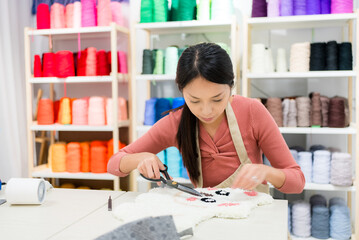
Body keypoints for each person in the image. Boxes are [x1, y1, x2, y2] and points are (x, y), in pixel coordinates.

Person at [108, 42, 305, 194]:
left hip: (253, 218)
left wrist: (267, 172)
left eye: (217, 99)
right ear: (182, 91)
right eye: (194, 101)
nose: (207, 110)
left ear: (231, 86)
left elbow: (297, 182)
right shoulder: (176, 122)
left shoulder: (252, 111)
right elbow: (114, 164)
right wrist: (140, 158)